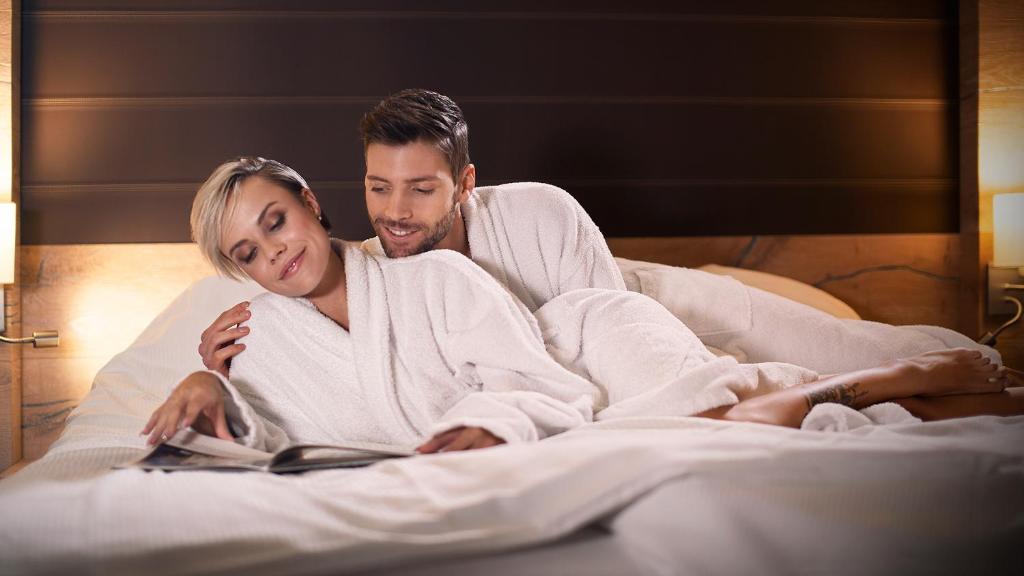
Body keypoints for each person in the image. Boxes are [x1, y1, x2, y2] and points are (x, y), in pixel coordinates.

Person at [143, 158, 1019, 453]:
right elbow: (282, 428)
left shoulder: (452, 260)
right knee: (716, 426)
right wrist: (211, 385)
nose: (276, 252)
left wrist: (498, 418)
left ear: (311, 203)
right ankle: (874, 384)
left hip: (599, 323)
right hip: (555, 379)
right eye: (247, 254)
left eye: (276, 221)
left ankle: (874, 376)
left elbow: (539, 360)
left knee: (736, 386)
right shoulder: (259, 340)